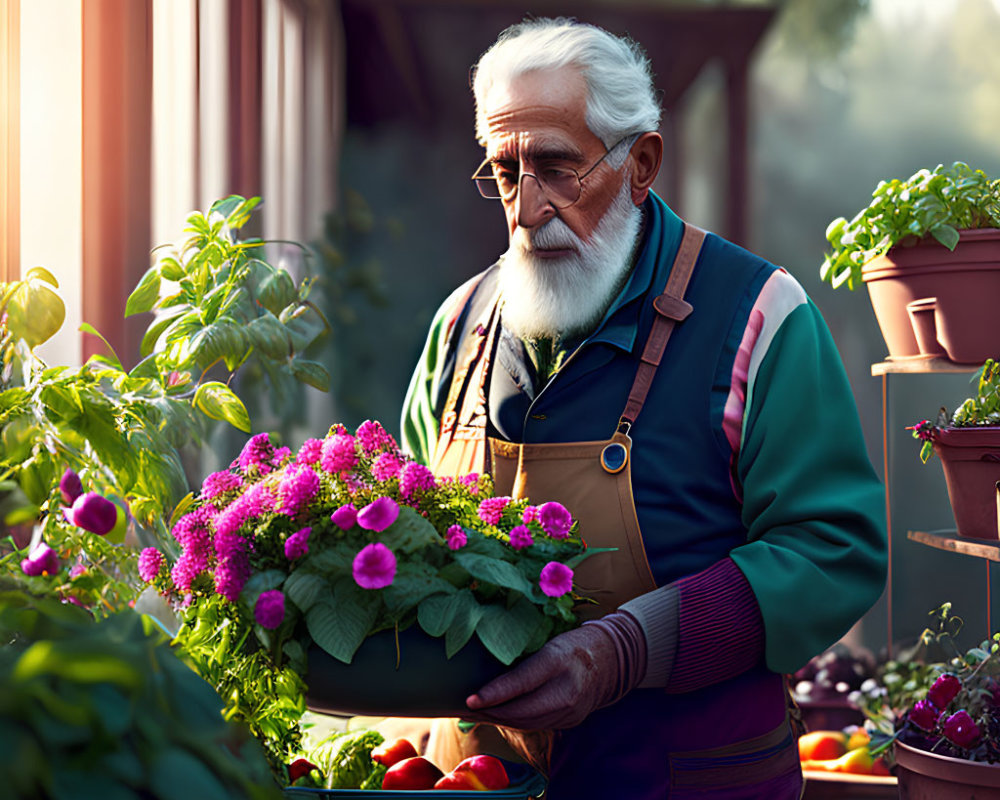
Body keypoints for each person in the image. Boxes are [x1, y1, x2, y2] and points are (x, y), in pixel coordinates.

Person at [401, 16, 887, 799]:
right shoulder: (460, 324)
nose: (526, 210)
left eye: (558, 168)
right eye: (505, 172)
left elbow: (833, 549)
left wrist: (629, 649)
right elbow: (403, 535)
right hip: (477, 777)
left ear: (640, 164)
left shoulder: (758, 317)